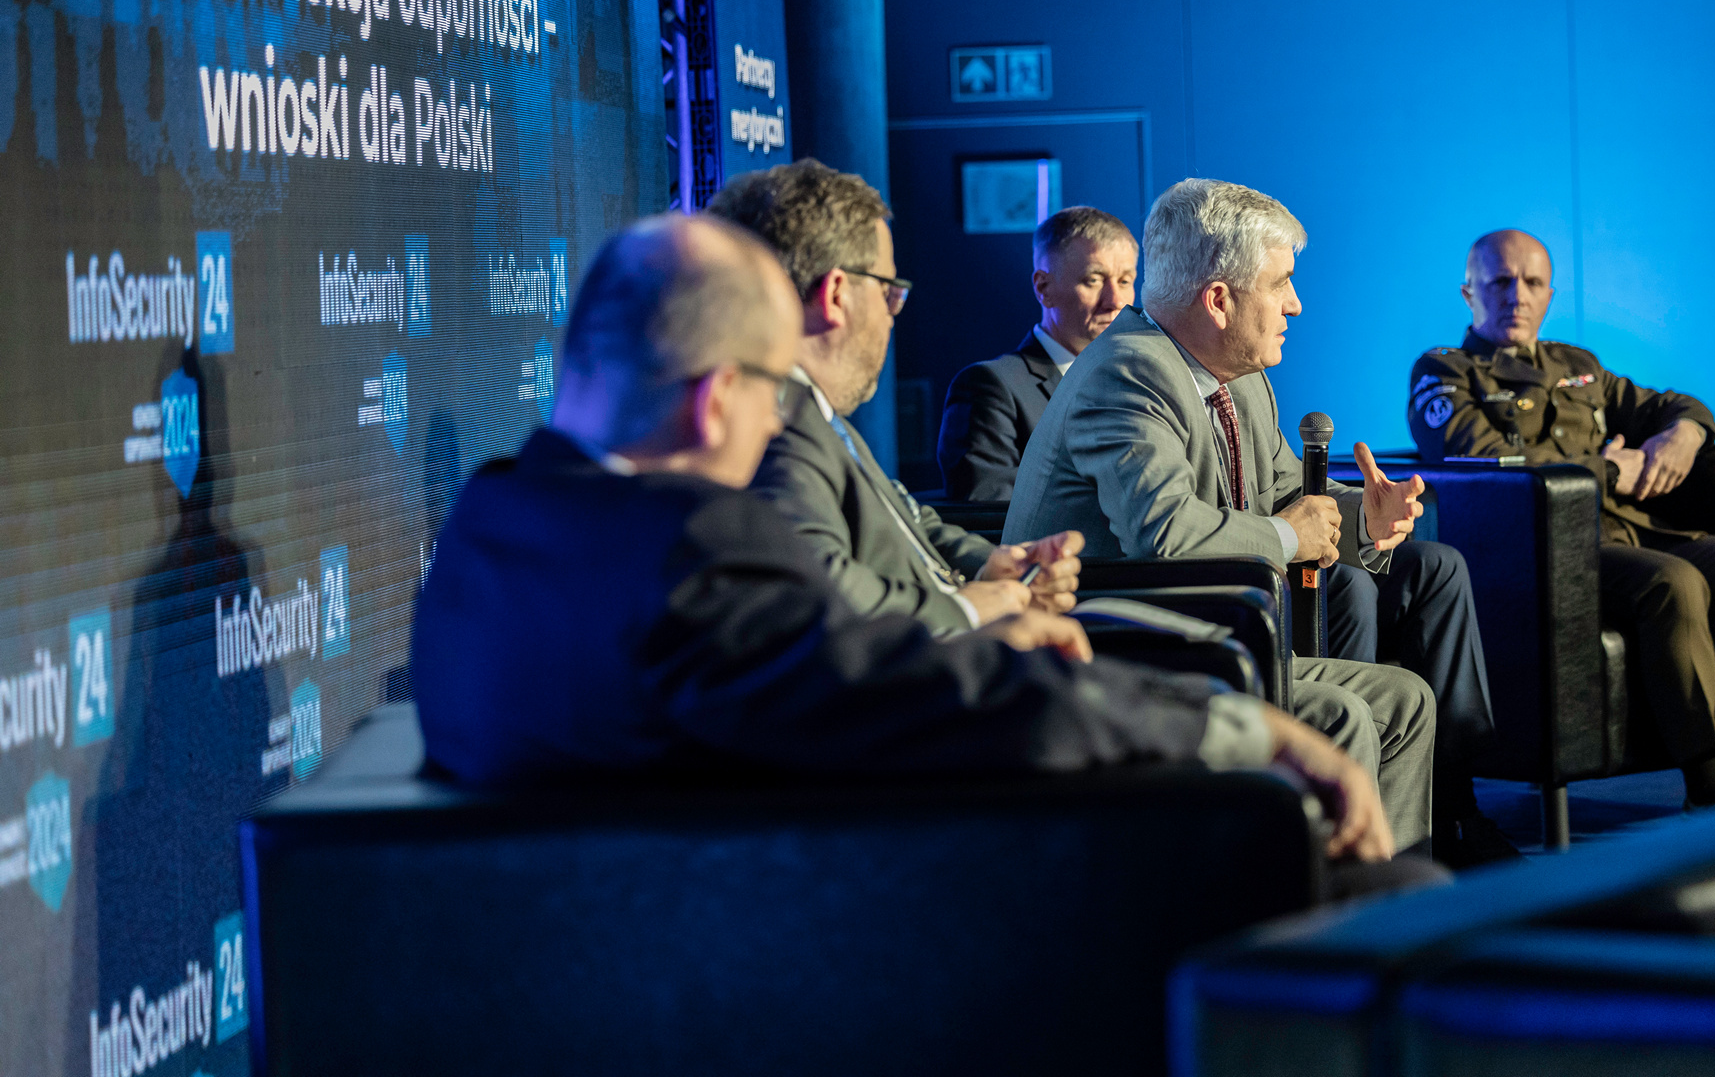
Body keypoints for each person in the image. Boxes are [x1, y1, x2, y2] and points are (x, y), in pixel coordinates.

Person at [410, 213, 1404, 873]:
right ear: (716, 400)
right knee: (1383, 895)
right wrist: (1248, 729)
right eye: (773, 390)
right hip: (817, 937)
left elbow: (823, 678)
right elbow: (953, 705)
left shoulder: (490, 522)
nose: (776, 426)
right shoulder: (690, 551)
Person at [1006, 179, 1499, 862]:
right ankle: (1321, 914)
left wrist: (1364, 518)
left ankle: (1390, 892)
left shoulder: (1240, 378)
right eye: (1281, 283)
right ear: (1219, 300)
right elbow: (1165, 533)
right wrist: (1293, 536)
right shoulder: (1127, 373)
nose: (1295, 304)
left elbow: (1283, 489)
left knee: (1407, 700)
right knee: (1346, 713)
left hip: (1215, 637)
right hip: (1120, 653)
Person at [1408, 229, 1715, 806]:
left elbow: (1671, 404)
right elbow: (1487, 462)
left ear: (1549, 295)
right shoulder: (1445, 372)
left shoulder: (1578, 366)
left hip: (1636, 531)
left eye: (1533, 282)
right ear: (1469, 292)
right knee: (1673, 583)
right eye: (1500, 281)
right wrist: (1609, 468)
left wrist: (1684, 435)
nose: (1517, 296)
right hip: (1550, 551)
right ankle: (1712, 781)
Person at [710, 158, 1082, 639]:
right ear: (837, 295)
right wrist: (969, 610)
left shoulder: (813, 411)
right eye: (888, 291)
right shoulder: (775, 428)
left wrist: (994, 566)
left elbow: (906, 519)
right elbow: (822, 592)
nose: (892, 315)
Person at [937, 206, 1138, 501]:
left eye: (1125, 281)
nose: (1115, 300)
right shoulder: (990, 387)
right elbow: (988, 509)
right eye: (1094, 280)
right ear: (1044, 287)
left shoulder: (1138, 384)